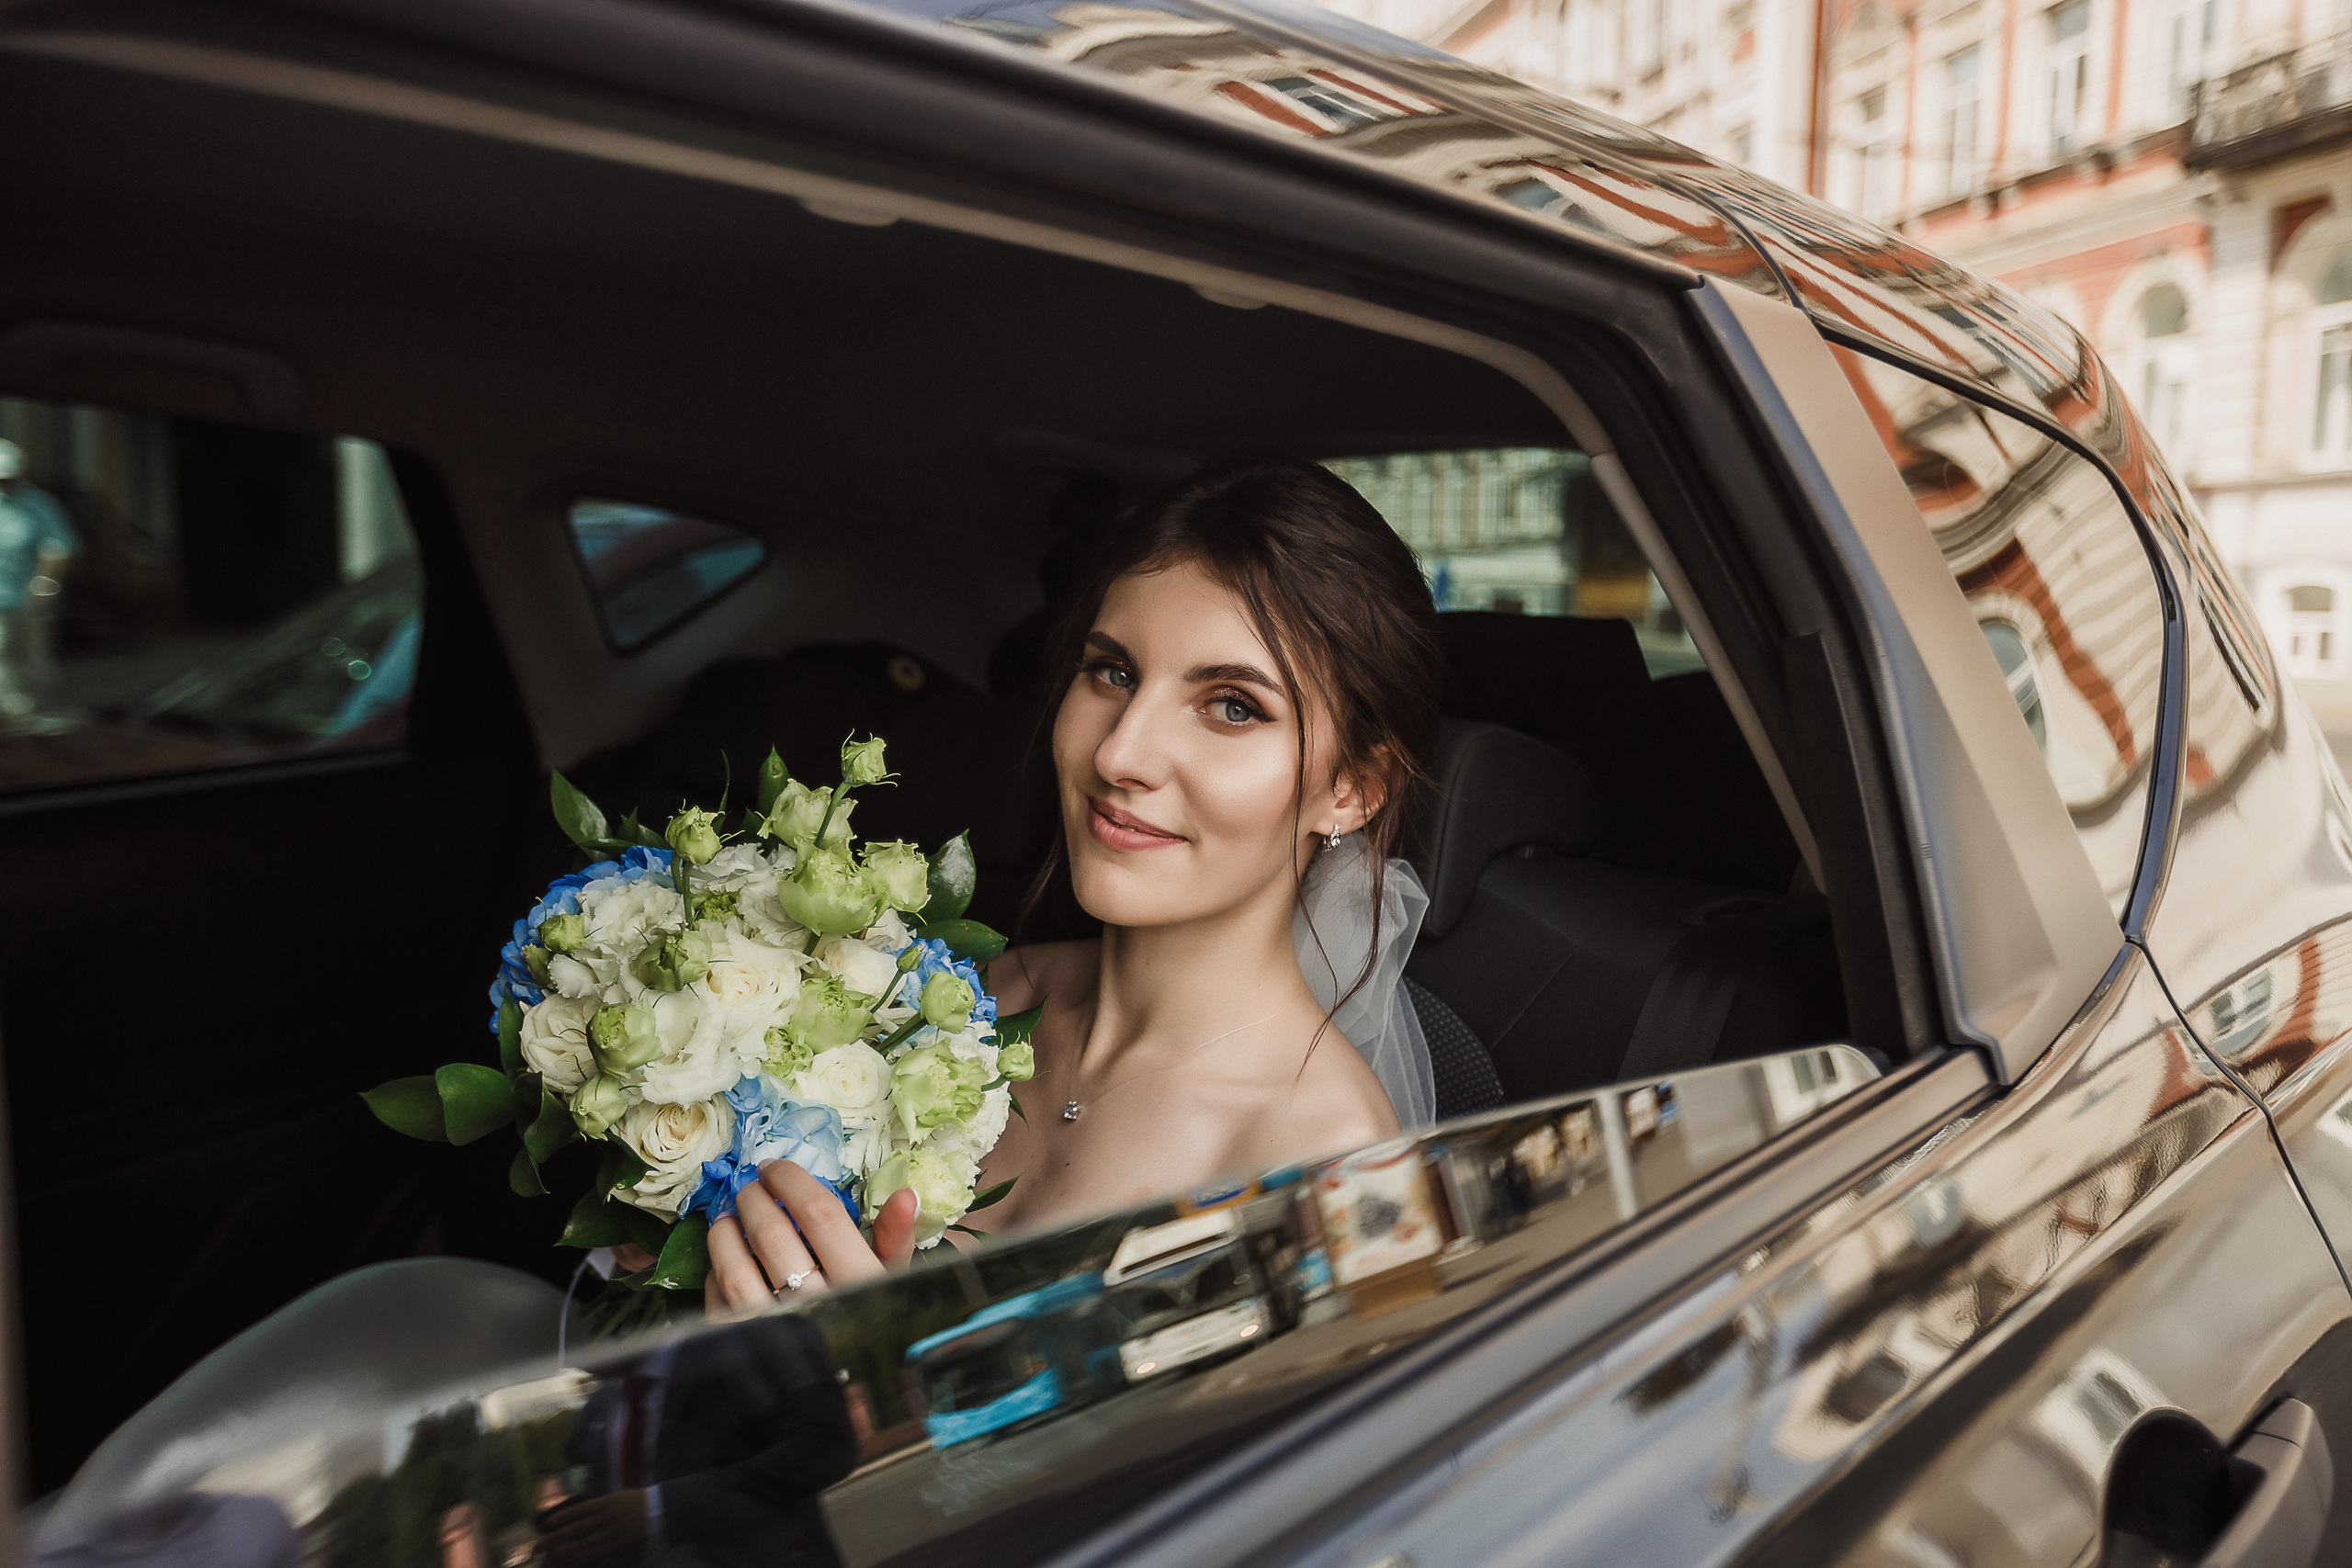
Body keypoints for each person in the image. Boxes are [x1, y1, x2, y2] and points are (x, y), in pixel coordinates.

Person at [698, 457, 1445, 1311]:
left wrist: (863, 1381)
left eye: (1234, 705)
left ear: (1351, 788)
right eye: (1114, 673)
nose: (1118, 754)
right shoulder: (978, 996)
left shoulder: (1344, 1164)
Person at [0, 436, 80, 718]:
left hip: (29, 599)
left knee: (35, 662)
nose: (4, 485)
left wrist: (45, 584)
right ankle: (11, 715)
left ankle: (38, 715)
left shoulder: (38, 504)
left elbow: (58, 547)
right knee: (1, 657)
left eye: (8, 478)